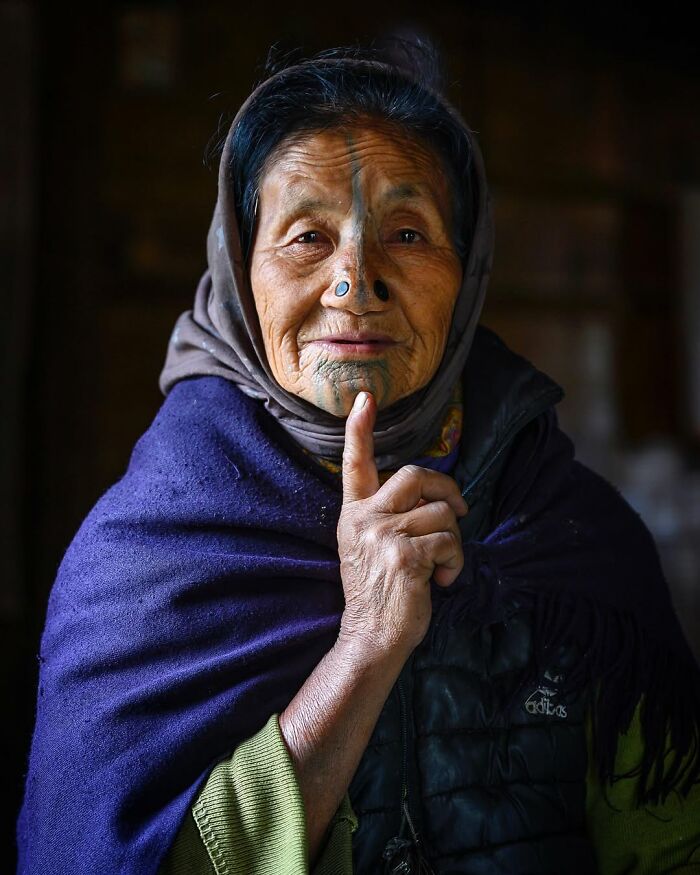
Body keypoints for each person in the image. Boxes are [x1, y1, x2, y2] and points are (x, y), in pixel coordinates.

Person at [17, 42, 700, 875]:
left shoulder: (570, 535)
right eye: (307, 236)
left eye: (407, 233)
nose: (355, 281)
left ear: (468, 268)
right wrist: (365, 645)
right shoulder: (146, 553)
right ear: (241, 271)